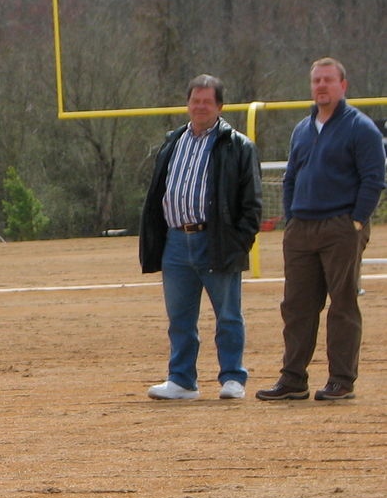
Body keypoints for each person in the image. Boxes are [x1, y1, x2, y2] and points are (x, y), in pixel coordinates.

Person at [257, 58, 386, 401]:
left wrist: (355, 221)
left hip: (340, 226)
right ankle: (293, 378)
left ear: (343, 86)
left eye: (328, 80)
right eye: (316, 81)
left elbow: (374, 179)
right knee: (296, 306)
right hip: (302, 228)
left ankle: (341, 380)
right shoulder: (302, 128)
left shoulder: (361, 128)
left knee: (342, 305)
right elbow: (291, 178)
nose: (321, 86)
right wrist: (291, 218)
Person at [139, 74, 261, 400]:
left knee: (228, 316)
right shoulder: (172, 142)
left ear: (220, 106)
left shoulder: (237, 146)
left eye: (207, 101)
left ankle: (232, 378)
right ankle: (181, 380)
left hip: (216, 241)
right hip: (176, 242)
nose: (200, 107)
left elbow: (252, 204)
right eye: (196, 100)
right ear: (188, 103)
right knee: (180, 318)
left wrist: (238, 243)